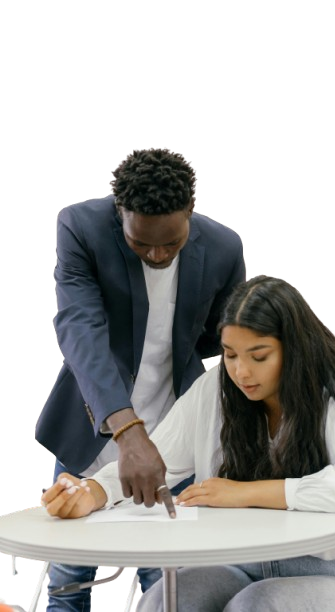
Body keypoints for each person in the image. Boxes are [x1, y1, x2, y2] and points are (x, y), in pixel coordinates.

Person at [42, 275, 335, 611]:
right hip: (241, 567)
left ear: (294, 348)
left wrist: (245, 493)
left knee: (256, 605)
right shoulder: (215, 389)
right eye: (230, 354)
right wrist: (94, 491)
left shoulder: (333, 391)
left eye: (259, 356)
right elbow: (157, 459)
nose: (241, 372)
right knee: (163, 602)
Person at [35, 147, 246, 611]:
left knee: (167, 584)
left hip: (174, 444)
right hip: (92, 432)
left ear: (190, 211)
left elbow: (223, 338)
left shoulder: (225, 247)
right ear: (119, 213)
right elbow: (80, 329)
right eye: (141, 244)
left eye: (171, 244)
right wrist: (129, 433)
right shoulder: (80, 226)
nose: (157, 254)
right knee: (69, 583)